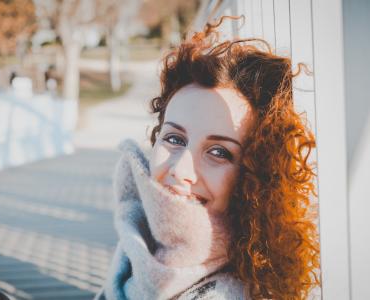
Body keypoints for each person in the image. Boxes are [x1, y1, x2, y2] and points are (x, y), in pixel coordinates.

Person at [96, 16, 320, 300]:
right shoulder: (136, 239)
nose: (180, 169)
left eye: (218, 152)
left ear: (254, 175)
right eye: (174, 139)